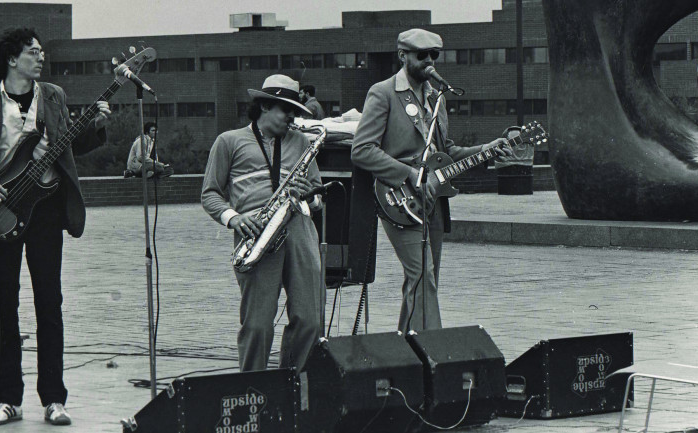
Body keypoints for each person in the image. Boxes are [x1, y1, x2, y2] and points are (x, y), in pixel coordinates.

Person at [0, 27, 111, 427]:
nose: (40, 58)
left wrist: (96, 126)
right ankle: (8, 400)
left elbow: (71, 146)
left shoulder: (53, 97)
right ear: (11, 59)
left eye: (41, 51)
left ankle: (54, 399)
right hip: (0, 208)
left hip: (46, 210)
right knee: (4, 307)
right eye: (32, 52)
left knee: (49, 304)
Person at [351, 28, 512, 332]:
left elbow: (445, 151)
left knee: (423, 279)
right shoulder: (383, 93)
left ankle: (406, 351)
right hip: (398, 197)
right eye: (421, 55)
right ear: (402, 56)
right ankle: (432, 355)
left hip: (431, 199)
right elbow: (362, 150)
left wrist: (486, 150)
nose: (429, 61)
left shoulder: (436, 97)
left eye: (434, 55)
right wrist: (409, 173)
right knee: (423, 276)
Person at [202, 74, 323, 373]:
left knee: (310, 319)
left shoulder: (301, 142)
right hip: (256, 232)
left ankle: (291, 383)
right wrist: (234, 218)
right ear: (265, 106)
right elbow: (210, 193)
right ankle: (251, 388)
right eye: (286, 109)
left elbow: (320, 195)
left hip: (299, 229)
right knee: (257, 324)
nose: (293, 117)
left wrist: (307, 197)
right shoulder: (228, 141)